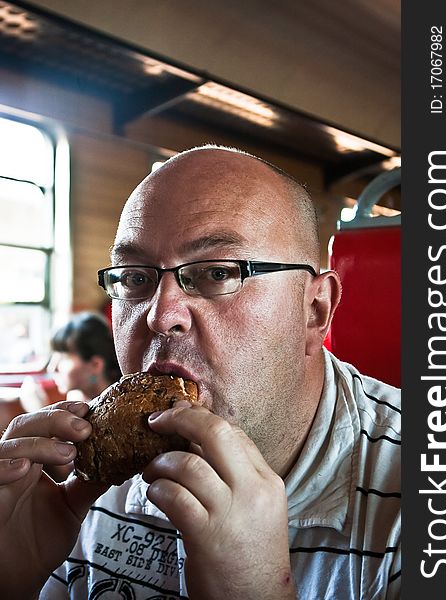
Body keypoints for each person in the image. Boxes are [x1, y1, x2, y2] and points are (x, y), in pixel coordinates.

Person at [0, 145, 400, 599]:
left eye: (216, 272)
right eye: (134, 279)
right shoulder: (68, 487)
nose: (160, 315)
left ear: (314, 310)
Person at [49, 311, 122, 404]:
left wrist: (39, 410)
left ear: (95, 365)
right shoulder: (79, 399)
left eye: (64, 358)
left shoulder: (118, 405)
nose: (52, 368)